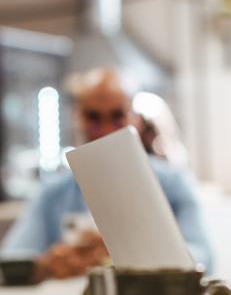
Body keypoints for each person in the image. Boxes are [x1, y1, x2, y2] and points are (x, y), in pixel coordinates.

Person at [1, 67, 214, 279]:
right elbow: (12, 259)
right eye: (93, 117)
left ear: (135, 120)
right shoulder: (53, 194)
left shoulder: (173, 185)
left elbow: (204, 257)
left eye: (117, 116)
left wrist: (131, 253)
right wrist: (48, 264)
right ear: (78, 119)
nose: (105, 130)